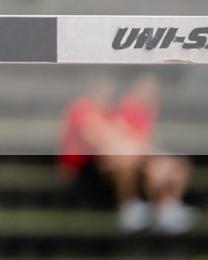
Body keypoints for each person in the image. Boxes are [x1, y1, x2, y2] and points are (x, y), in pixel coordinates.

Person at [56, 75, 195, 234]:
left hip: (104, 163)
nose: (107, 93)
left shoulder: (110, 111)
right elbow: (101, 138)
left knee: (164, 165)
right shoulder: (82, 108)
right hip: (83, 170)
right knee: (125, 161)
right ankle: (136, 208)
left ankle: (165, 206)